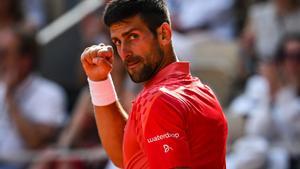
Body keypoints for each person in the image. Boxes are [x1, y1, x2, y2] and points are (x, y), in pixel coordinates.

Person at [80, 0, 228, 169]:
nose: (124, 52)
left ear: (164, 34)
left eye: (133, 37)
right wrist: (100, 81)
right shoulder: (204, 92)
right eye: (118, 42)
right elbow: (128, 155)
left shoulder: (161, 100)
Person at [0, 27, 67, 169]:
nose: (1, 61)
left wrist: (9, 97)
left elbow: (34, 142)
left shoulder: (51, 93)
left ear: (25, 60)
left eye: (4, 54)